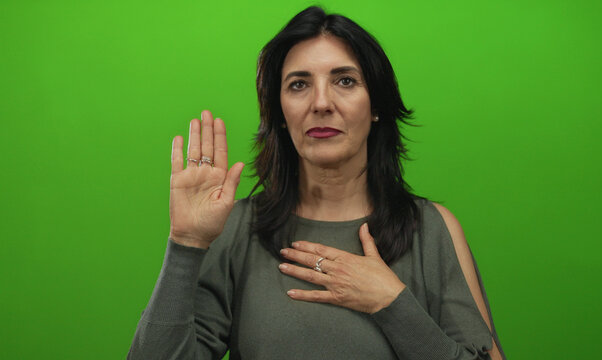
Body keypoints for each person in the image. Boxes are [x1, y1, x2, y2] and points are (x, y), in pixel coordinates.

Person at [128, 6, 506, 360]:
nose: (321, 103)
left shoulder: (433, 229)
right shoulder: (237, 232)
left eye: (345, 80)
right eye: (298, 85)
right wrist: (187, 244)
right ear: (278, 112)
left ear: (375, 106)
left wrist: (391, 303)